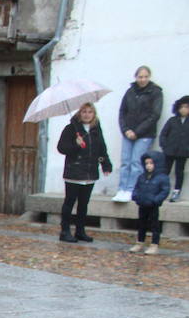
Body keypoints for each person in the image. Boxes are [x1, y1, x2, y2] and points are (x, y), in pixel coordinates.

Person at [55, 102, 111, 243]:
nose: (87, 114)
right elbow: (61, 148)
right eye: (84, 112)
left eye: (90, 112)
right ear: (80, 113)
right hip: (74, 171)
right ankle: (65, 231)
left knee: (84, 204)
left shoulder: (96, 129)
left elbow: (101, 147)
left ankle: (80, 231)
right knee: (69, 202)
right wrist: (76, 145)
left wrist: (105, 164)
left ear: (94, 114)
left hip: (89, 172)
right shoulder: (71, 129)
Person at [112, 66, 163, 203]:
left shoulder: (156, 92)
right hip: (128, 133)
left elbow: (155, 115)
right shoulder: (130, 92)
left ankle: (131, 190)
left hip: (145, 134)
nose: (143, 79)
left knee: (136, 162)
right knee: (125, 162)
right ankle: (121, 189)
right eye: (140, 77)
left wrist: (137, 131)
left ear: (149, 77)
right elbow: (122, 112)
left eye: (145, 76)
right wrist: (126, 130)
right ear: (136, 77)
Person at [130, 151, 171, 254]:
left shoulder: (162, 177)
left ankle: (154, 244)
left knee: (154, 225)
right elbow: (137, 188)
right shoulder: (142, 177)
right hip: (142, 203)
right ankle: (140, 242)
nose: (148, 166)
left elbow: (165, 191)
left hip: (153, 205)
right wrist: (135, 196)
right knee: (141, 224)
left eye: (151, 163)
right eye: (146, 163)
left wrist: (156, 200)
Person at [158, 95, 189, 203]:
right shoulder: (172, 120)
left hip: (183, 152)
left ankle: (176, 192)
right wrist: (164, 146)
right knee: (165, 171)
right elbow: (163, 134)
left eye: (186, 107)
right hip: (169, 151)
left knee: (179, 172)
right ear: (177, 108)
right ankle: (161, 190)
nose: (183, 109)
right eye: (181, 107)